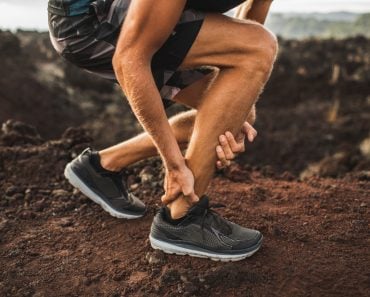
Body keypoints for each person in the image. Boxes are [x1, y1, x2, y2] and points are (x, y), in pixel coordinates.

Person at [48, 0, 277, 261]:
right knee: (258, 46)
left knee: (239, 111)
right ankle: (181, 219)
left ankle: (101, 167)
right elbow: (129, 58)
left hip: (146, 15)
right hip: (86, 23)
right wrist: (174, 163)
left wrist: (227, 107)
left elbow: (243, 38)